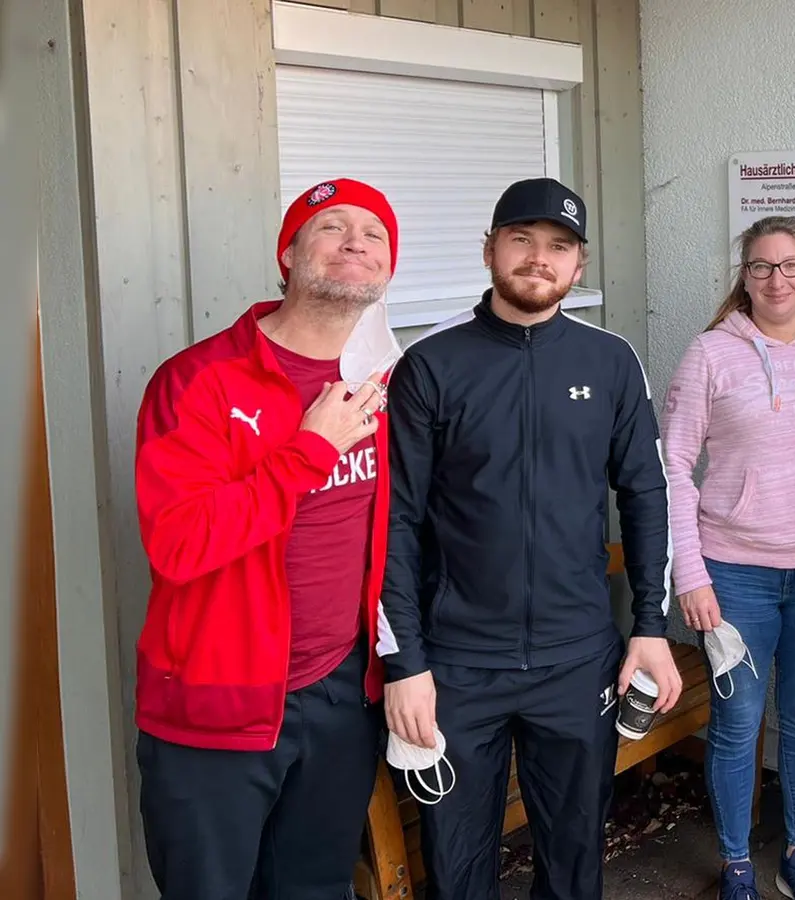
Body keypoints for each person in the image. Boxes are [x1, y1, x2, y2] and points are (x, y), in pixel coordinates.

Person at [379, 176, 681, 900]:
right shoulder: (431, 365)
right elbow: (394, 521)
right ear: (490, 250)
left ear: (578, 265)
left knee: (576, 860)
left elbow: (646, 493)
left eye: (559, 246)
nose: (538, 258)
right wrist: (406, 664)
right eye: (522, 240)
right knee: (456, 867)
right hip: (455, 667)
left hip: (577, 660)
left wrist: (650, 628)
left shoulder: (609, 362)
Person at [132, 177, 401, 899]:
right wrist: (308, 451)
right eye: (331, 227)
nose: (354, 242)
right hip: (213, 709)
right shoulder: (197, 381)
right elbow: (180, 544)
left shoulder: (385, 386)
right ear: (288, 253)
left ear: (388, 269)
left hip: (341, 695)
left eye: (373, 234)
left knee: (314, 888)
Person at [661, 216, 795, 900]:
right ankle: (737, 867)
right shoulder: (710, 354)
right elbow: (673, 469)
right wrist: (690, 573)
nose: (776, 280)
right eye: (760, 267)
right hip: (733, 575)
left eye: (790, 266)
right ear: (743, 277)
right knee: (739, 722)